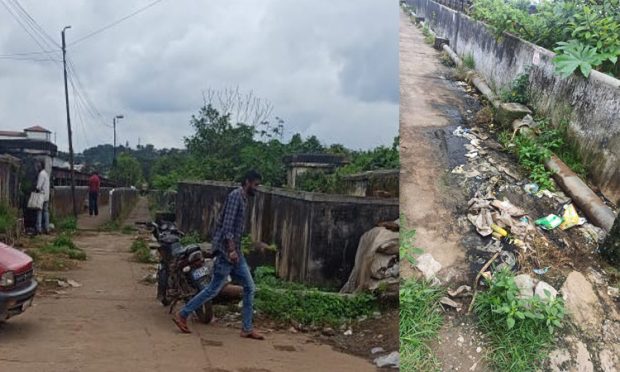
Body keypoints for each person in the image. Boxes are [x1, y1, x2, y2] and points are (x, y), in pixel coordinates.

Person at [173, 170, 264, 340]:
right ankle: (183, 314)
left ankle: (247, 328)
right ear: (247, 182)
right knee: (212, 290)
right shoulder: (235, 197)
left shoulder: (243, 199)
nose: (257, 189)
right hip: (227, 253)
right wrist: (230, 250)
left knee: (249, 287)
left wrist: (236, 251)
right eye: (256, 185)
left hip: (236, 253)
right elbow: (227, 227)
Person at [35, 160, 50, 235]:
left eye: (38, 165)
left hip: (41, 195)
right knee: (46, 212)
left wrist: (35, 189)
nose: (37, 166)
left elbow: (39, 186)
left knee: (39, 211)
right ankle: (47, 228)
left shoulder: (41, 174)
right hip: (46, 195)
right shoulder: (46, 173)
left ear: (41, 165)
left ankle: (39, 228)